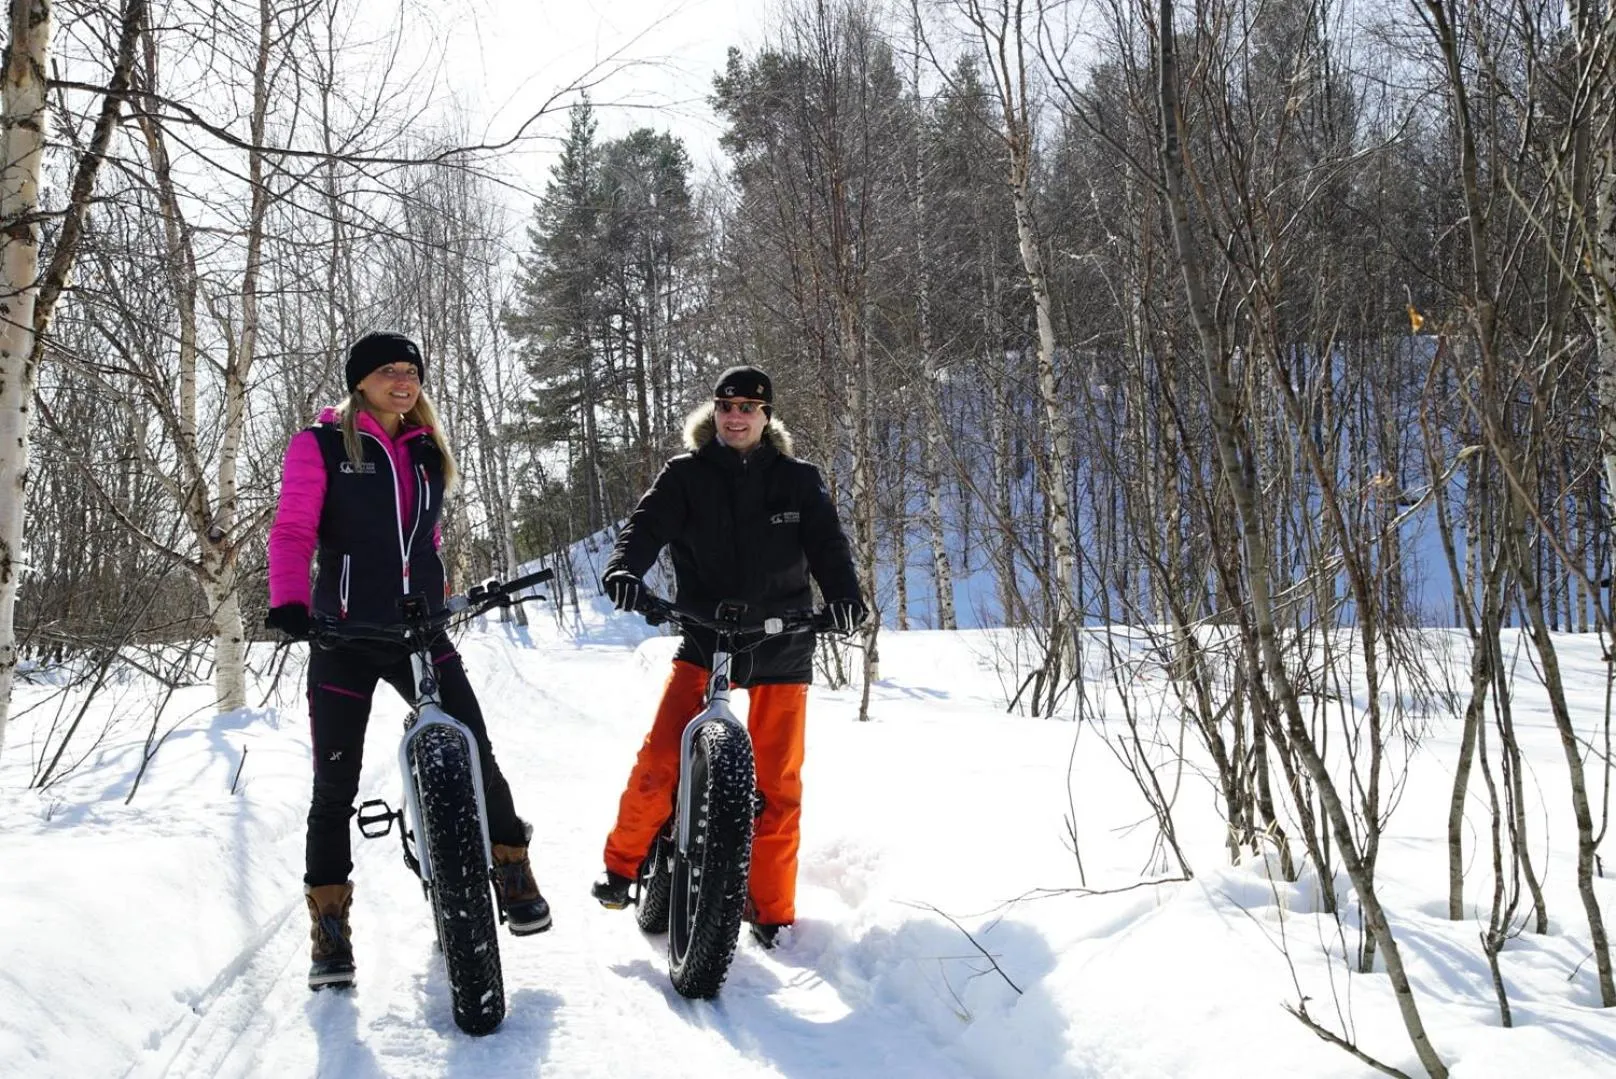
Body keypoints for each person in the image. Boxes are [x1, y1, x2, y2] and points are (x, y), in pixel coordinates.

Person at [265, 331, 551, 991]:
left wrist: (440, 591)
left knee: (475, 745)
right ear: (360, 381)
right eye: (389, 370)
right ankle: (329, 926)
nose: (403, 380)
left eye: (411, 370)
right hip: (342, 637)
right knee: (332, 787)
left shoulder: (425, 450)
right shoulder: (322, 445)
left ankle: (511, 866)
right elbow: (293, 529)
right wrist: (289, 601)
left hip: (419, 631)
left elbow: (428, 537)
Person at [591, 365, 867, 949]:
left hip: (780, 640)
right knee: (661, 761)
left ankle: (770, 912)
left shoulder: (798, 479)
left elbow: (827, 545)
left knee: (778, 786)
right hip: (705, 635)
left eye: (748, 407)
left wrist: (845, 598)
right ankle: (622, 867)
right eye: (726, 406)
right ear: (712, 413)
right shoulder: (686, 475)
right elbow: (644, 529)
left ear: (767, 416)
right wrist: (623, 570)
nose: (735, 416)